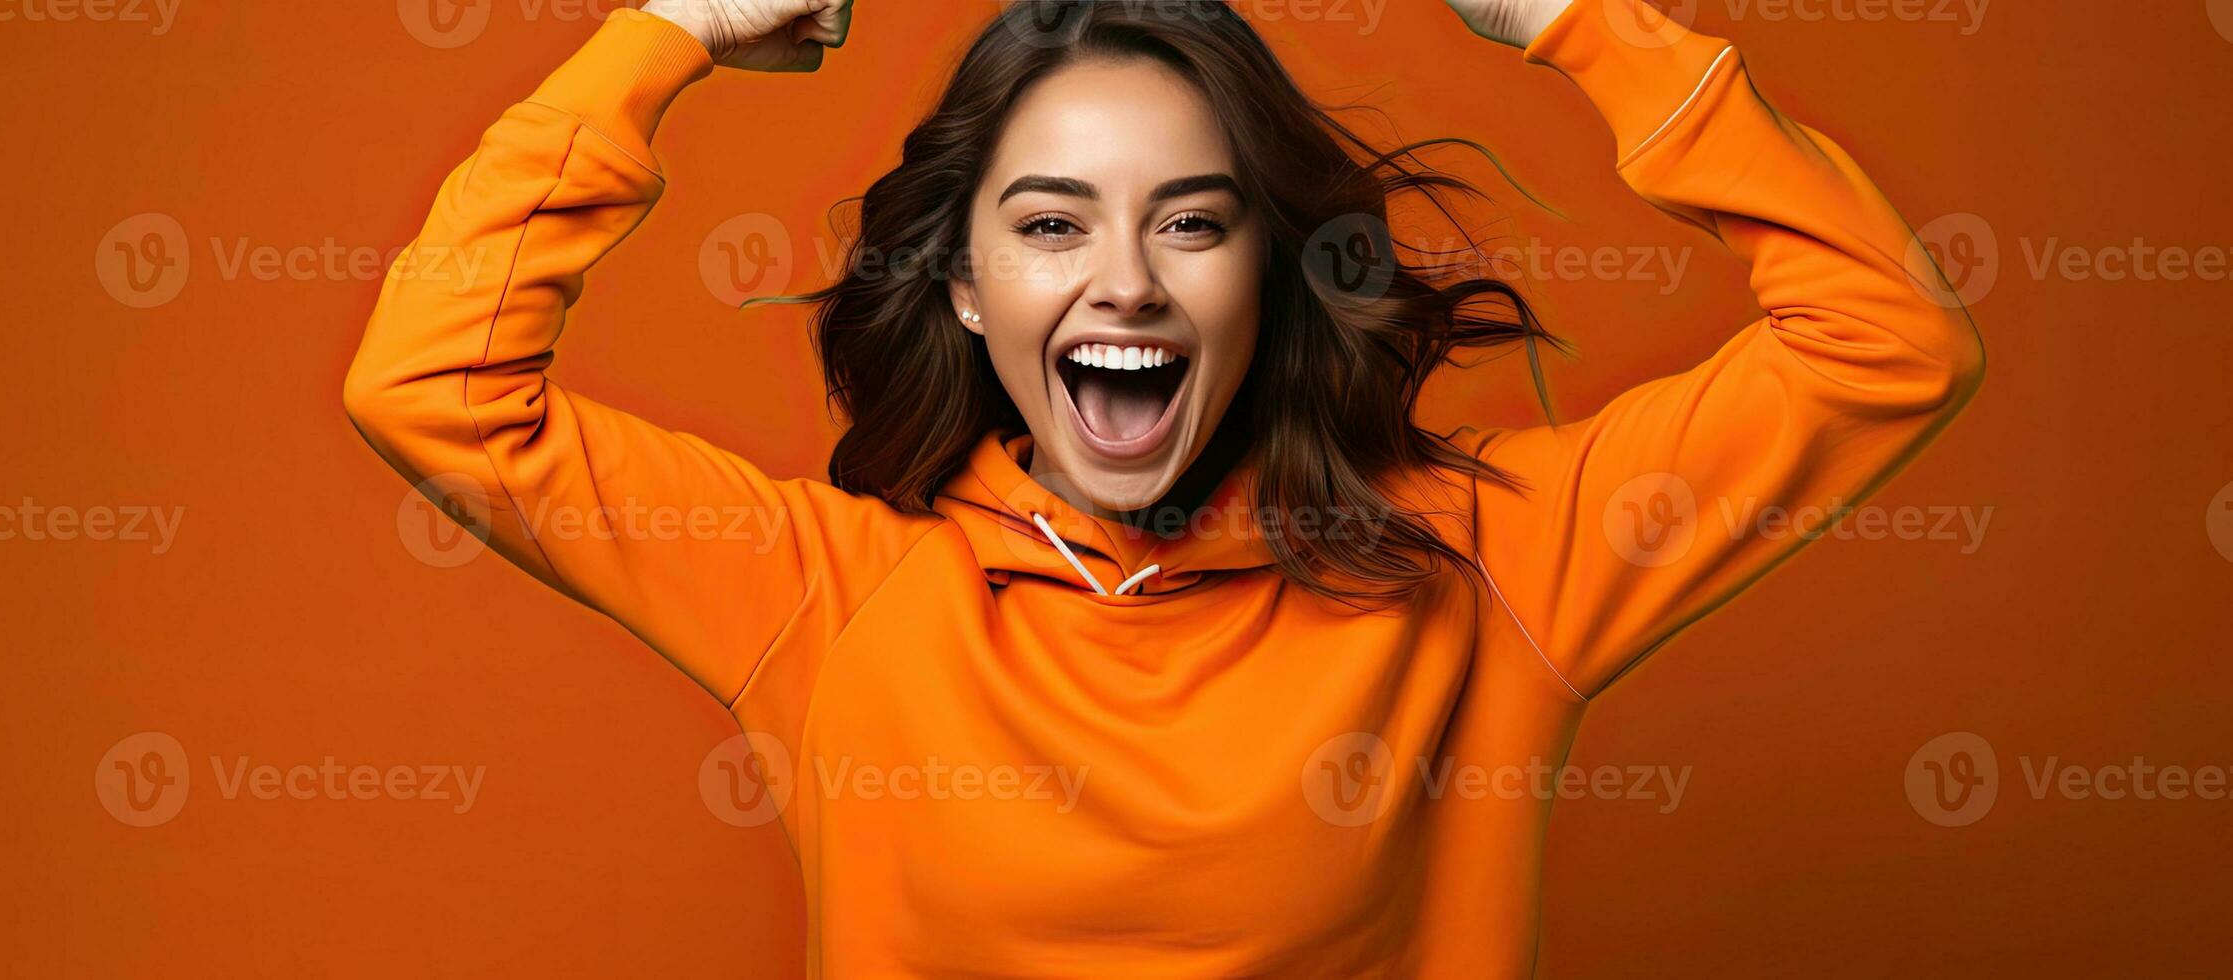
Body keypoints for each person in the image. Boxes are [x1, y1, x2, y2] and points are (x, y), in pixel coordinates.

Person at [342, 0, 1983, 974]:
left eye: (1192, 223)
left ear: (1265, 277)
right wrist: (672, 29)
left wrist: (1577, 18)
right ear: (970, 287)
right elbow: (432, 390)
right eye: (1052, 225)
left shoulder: (1489, 569)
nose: (1123, 281)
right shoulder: (823, 598)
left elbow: (1883, 343)